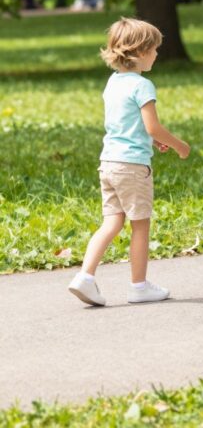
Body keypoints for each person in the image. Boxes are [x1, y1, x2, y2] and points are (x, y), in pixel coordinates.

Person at [67, 18, 190, 307]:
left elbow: (127, 124)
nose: (158, 55)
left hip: (109, 162)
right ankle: (139, 286)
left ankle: (85, 276)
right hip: (133, 167)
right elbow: (152, 127)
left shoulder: (113, 83)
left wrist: (150, 141)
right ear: (142, 52)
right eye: (155, 49)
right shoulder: (143, 85)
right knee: (140, 225)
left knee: (111, 222)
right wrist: (179, 145)